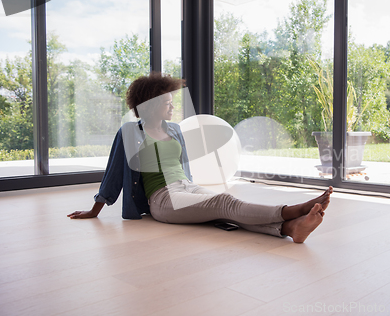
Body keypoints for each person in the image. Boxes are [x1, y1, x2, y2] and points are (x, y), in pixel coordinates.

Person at [68, 72, 333, 243]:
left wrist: (193, 191)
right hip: (163, 199)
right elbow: (113, 174)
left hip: (186, 187)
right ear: (149, 104)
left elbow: (182, 168)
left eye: (173, 101)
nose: (173, 106)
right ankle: (290, 211)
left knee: (225, 211)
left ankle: (289, 229)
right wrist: (95, 209)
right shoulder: (130, 132)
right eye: (167, 102)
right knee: (224, 201)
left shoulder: (175, 129)